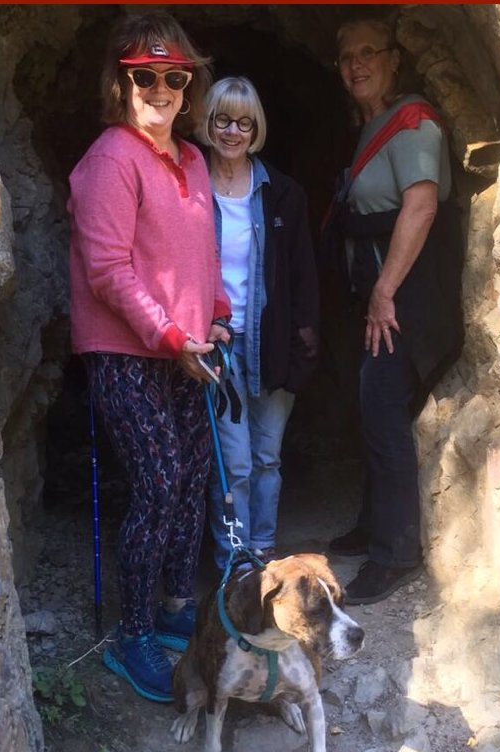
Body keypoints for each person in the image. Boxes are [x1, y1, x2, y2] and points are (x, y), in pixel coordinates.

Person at [67, 11, 231, 702]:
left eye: (174, 76)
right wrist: (169, 335)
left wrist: (217, 313)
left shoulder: (191, 159)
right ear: (121, 83)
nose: (160, 89)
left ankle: (173, 607)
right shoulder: (111, 158)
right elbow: (107, 269)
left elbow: (203, 253)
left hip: (184, 348)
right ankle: (132, 635)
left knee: (191, 480)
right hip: (126, 352)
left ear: (189, 86)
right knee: (160, 484)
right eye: (144, 77)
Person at [324, 17, 464, 604]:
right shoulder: (373, 127)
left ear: (393, 59)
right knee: (372, 404)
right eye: (347, 57)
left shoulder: (413, 120)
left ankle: (395, 554)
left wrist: (384, 292)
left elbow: (422, 206)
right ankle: (374, 523)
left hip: (407, 297)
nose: (357, 65)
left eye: (369, 53)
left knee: (382, 406)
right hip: (383, 293)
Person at [196, 76, 319, 571]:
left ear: (256, 129)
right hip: (218, 342)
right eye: (223, 120)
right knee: (235, 464)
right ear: (208, 123)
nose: (232, 132)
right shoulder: (188, 186)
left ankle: (264, 548)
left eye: (244, 123)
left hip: (271, 341)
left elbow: (303, 271)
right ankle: (237, 563)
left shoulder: (282, 193)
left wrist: (305, 338)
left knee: (268, 456)